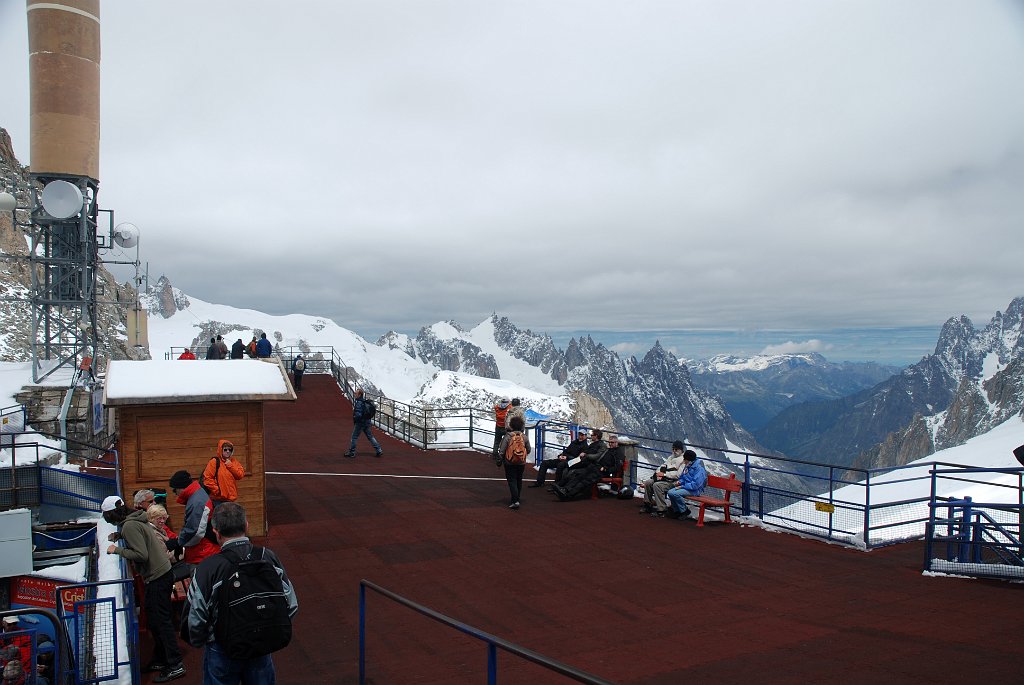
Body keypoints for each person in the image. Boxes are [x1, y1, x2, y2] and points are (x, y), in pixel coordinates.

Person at [184, 502, 297, 685]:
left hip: (223, 648)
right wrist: (267, 627)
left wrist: (205, 641)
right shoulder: (267, 556)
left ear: (216, 532)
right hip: (260, 646)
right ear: (246, 525)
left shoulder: (208, 567)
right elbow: (291, 603)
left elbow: (195, 616)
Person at [102, 495, 186, 682]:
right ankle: (162, 658)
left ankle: (175, 663)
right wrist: (120, 536)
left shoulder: (129, 526)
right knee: (155, 620)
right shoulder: (134, 520)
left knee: (161, 621)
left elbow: (140, 554)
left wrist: (117, 549)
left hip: (157, 576)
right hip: (161, 572)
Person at [167, 470, 220, 564]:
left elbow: (196, 532)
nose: (175, 493)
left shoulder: (196, 502)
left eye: (174, 490)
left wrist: (179, 542)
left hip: (203, 554)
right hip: (204, 550)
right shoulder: (197, 496)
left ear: (180, 488)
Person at [551, 429, 612, 501]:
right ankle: (562, 487)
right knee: (566, 466)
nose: (610, 444)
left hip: (590, 465)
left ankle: (565, 491)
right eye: (610, 442)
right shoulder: (593, 444)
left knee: (578, 475)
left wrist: (586, 455)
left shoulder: (602, 446)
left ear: (596, 436)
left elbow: (597, 456)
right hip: (586, 463)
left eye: (592, 435)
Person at [641, 442, 691, 516]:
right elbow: (662, 466)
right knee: (648, 482)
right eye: (673, 449)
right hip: (664, 479)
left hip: (674, 482)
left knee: (657, 485)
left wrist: (664, 474)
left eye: (676, 449)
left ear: (681, 450)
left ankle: (662, 510)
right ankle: (647, 504)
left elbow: (678, 475)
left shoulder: (683, 460)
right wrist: (658, 473)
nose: (674, 451)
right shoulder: (671, 457)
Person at [495, 415, 532, 509]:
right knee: (519, 479)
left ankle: (515, 500)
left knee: (512, 480)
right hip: (521, 462)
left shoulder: (508, 436)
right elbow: (528, 449)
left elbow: (502, 450)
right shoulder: (524, 437)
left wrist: (499, 460)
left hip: (509, 462)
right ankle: (517, 498)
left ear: (511, 425)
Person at [665, 449, 708, 520]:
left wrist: (682, 486)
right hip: (686, 487)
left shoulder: (699, 470)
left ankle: (684, 510)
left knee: (675, 494)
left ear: (690, 460)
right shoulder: (688, 466)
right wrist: (680, 482)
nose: (684, 461)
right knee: (670, 492)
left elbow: (695, 485)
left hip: (694, 490)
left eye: (685, 459)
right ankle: (677, 511)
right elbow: (683, 477)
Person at [203, 440, 245, 505]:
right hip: (218, 500)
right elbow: (207, 479)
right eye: (225, 449)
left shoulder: (234, 462)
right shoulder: (214, 462)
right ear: (221, 450)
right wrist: (218, 491)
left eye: (230, 450)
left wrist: (230, 465)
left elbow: (240, 475)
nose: (228, 451)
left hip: (230, 500)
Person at [344, 389, 382, 458]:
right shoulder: (364, 402)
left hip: (360, 423)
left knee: (354, 437)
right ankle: (379, 450)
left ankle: (352, 452)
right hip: (367, 422)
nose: (354, 394)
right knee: (370, 437)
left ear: (359, 395)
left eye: (355, 393)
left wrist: (355, 419)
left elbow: (358, 414)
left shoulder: (359, 403)